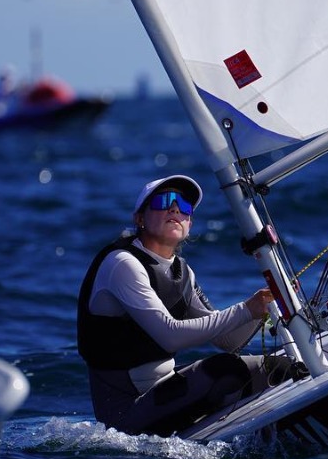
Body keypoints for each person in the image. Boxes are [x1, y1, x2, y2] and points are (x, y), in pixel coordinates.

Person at [77, 174, 290, 437]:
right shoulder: (122, 263)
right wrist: (246, 310)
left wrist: (263, 308)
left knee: (278, 368)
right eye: (164, 201)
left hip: (163, 392)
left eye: (185, 206)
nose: (175, 208)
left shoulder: (182, 272)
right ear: (139, 218)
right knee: (224, 370)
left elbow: (227, 341)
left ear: (189, 224)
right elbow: (170, 336)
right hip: (126, 416)